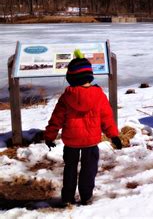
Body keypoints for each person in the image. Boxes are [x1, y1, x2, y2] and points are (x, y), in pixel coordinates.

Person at [44, 52, 122, 206]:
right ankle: (86, 196)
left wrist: (50, 135)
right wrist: (114, 136)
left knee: (70, 169)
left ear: (71, 78)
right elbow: (107, 118)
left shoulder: (67, 96)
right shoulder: (99, 95)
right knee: (89, 169)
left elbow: (56, 119)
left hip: (71, 142)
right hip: (91, 142)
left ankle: (68, 197)